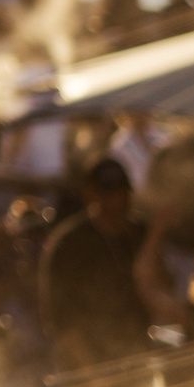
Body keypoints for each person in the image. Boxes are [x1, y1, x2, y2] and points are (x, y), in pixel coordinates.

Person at [39, 158, 153, 370]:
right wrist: (95, 381)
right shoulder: (70, 245)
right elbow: (63, 322)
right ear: (90, 195)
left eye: (122, 193)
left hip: (137, 357)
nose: (118, 202)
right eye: (110, 194)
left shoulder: (140, 235)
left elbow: (160, 288)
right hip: (90, 364)